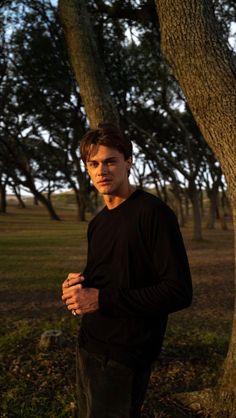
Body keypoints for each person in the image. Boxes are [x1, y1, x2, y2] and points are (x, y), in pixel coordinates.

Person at [62, 123, 192, 418]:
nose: (101, 170)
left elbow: (179, 291)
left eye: (110, 161)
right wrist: (77, 286)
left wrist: (101, 299)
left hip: (125, 355)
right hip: (89, 344)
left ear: (128, 162)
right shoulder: (98, 222)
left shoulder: (153, 214)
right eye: (93, 163)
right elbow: (110, 275)